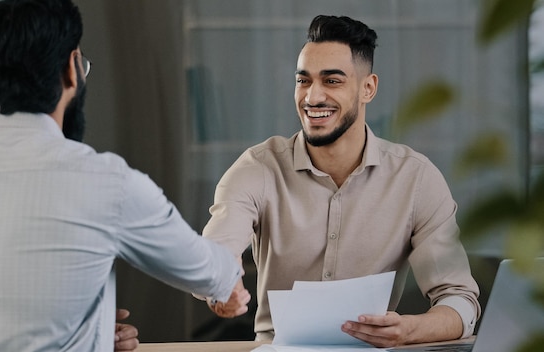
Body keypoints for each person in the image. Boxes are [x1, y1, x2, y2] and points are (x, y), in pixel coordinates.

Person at [0, 0, 246, 351]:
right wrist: (230, 290)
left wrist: (95, 333)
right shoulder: (109, 184)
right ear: (72, 68)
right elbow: (216, 275)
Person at [200, 15, 481, 348]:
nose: (312, 97)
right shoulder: (257, 169)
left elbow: (460, 301)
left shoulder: (415, 178)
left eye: (332, 81)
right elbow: (215, 255)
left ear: (368, 88)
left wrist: (408, 330)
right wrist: (220, 287)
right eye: (304, 80)